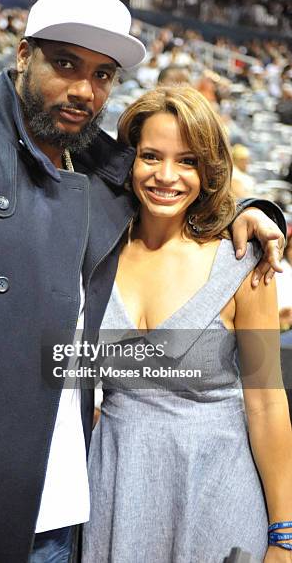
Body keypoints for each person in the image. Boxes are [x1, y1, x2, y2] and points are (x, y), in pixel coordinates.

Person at [0, 0, 286, 563]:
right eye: (65, 63)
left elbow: (173, 183)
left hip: (73, 515)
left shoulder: (101, 182)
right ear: (22, 55)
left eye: (102, 75)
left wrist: (254, 212)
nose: (83, 89)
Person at [82, 87, 292, 563]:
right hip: (113, 487)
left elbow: (266, 405)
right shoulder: (95, 252)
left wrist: (285, 536)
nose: (166, 176)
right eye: (151, 156)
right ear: (129, 159)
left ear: (209, 170)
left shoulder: (242, 262)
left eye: (189, 161)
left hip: (216, 491)